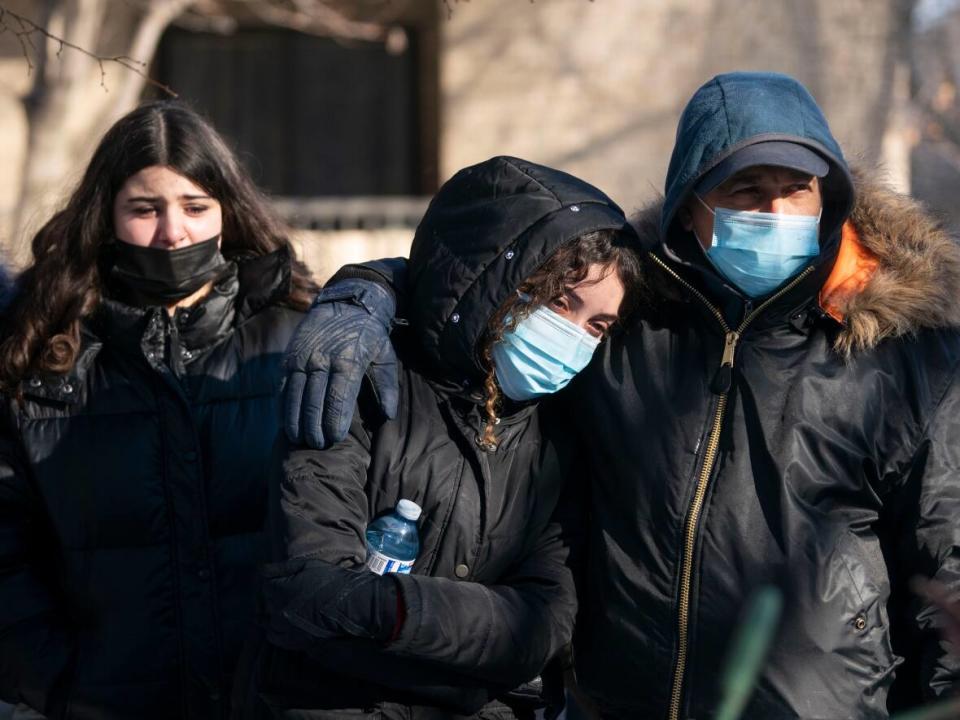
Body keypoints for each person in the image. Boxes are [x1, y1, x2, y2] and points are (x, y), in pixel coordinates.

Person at [281, 71, 960, 719]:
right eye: (748, 190)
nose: (776, 212)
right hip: (615, 706)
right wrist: (363, 291)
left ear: (827, 200)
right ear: (690, 204)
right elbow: (489, 280)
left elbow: (946, 571)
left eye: (797, 189)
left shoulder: (905, 354)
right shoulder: (629, 319)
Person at [246, 155, 643, 719]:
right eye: (560, 300)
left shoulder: (560, 431)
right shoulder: (363, 378)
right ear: (495, 279)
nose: (573, 337)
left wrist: (384, 615)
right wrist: (468, 664)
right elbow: (307, 594)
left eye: (597, 325)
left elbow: (542, 625)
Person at [0, 101, 316, 719]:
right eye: (145, 209)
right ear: (106, 217)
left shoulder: (297, 338)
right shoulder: (43, 353)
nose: (174, 233)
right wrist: (57, 682)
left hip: (274, 700)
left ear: (227, 211)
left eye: (196, 208)